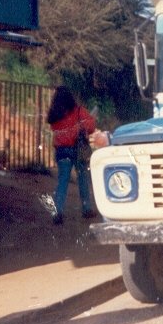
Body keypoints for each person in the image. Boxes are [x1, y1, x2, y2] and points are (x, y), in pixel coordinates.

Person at [47, 86, 96, 224]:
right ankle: (86, 208)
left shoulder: (55, 114)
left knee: (62, 180)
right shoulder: (79, 111)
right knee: (83, 179)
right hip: (77, 149)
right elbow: (91, 126)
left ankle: (58, 211)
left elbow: (55, 128)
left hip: (61, 150)